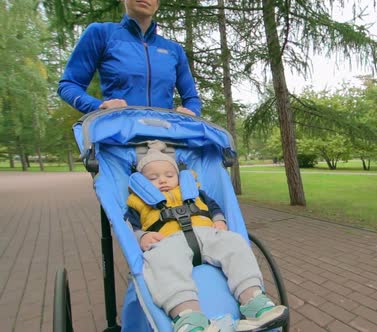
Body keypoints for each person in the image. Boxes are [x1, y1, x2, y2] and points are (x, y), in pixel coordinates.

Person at [125, 140, 288, 332]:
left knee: (234, 242)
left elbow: (214, 208)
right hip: (169, 241)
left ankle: (253, 299)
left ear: (178, 175)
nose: (162, 180)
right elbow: (129, 225)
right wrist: (141, 236)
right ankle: (188, 316)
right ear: (142, 182)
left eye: (169, 175)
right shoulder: (137, 201)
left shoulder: (194, 192)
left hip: (207, 233)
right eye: (152, 178)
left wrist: (220, 220)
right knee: (160, 259)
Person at [58, 0, 201, 116]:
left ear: (157, 4)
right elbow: (69, 85)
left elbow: (191, 99)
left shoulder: (174, 50)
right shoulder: (101, 33)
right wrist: (98, 106)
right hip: (117, 139)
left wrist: (190, 113)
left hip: (164, 140)